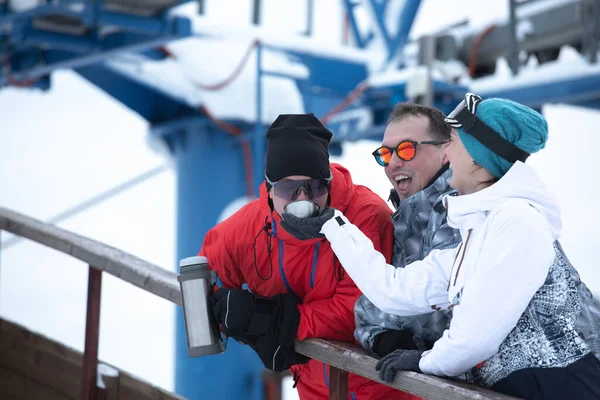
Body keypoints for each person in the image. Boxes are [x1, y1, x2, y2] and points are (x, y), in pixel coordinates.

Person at [283, 95, 600, 399]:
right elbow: (396, 290)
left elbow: (473, 340)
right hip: (525, 387)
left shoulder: (517, 222)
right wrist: (333, 225)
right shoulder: (481, 229)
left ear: (478, 160)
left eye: (454, 144)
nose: (448, 152)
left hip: (568, 383)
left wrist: (425, 361)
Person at [200, 113, 415, 400]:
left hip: (382, 387)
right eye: (289, 188)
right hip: (313, 388)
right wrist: (243, 320)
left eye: (314, 187)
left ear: (327, 182)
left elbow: (363, 307)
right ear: (270, 187)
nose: (302, 200)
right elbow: (206, 277)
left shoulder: (364, 216)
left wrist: (276, 321)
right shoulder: (249, 228)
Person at [354, 103, 461, 358]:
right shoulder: (406, 218)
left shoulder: (459, 209)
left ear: (446, 151)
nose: (393, 163)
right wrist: (381, 337)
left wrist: (368, 314)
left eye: (406, 149)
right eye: (386, 153)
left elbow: (442, 310)